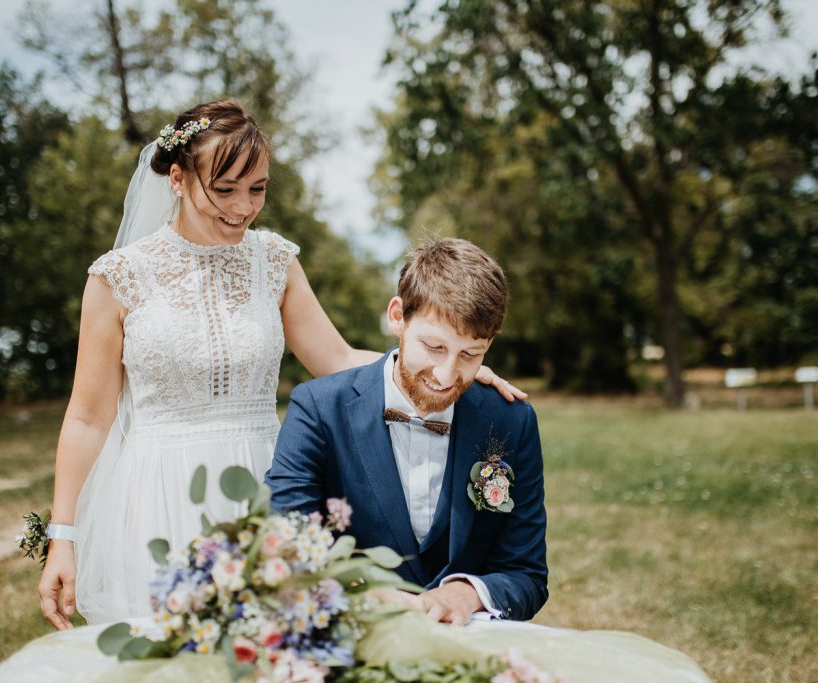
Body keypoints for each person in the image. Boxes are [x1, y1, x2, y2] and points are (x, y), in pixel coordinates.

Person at [36, 100, 525, 631]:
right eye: (224, 189)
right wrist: (64, 536)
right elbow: (87, 419)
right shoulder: (118, 278)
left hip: (269, 482)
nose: (243, 207)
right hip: (157, 493)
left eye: (258, 188)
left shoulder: (273, 261)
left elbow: (337, 360)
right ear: (177, 178)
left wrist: (443, 369)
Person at [263, 237, 712, 680]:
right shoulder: (319, 408)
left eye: (470, 355)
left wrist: (467, 594)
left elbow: (526, 573)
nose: (446, 375)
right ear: (397, 316)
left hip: (470, 644)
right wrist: (372, 596)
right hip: (352, 637)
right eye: (434, 347)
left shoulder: (509, 423)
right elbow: (288, 546)